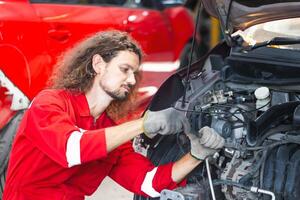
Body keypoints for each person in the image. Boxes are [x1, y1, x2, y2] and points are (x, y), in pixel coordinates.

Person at [3, 31, 224, 200]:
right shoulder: (49, 103)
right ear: (98, 64)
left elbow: (148, 183)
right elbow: (72, 149)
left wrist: (195, 155)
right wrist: (143, 124)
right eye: (124, 69)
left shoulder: (110, 133)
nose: (131, 80)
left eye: (134, 74)